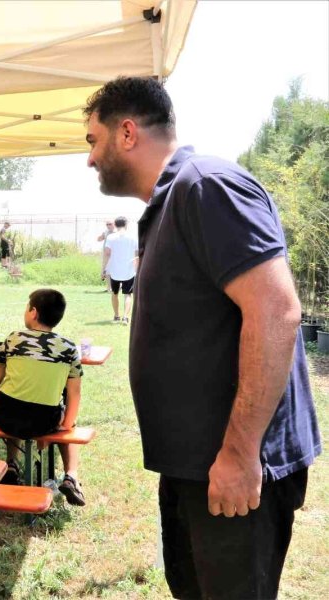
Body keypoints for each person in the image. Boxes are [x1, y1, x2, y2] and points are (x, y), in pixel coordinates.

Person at [84, 76, 321, 599]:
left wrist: (239, 455)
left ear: (126, 133)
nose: (89, 158)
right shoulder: (171, 200)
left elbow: (277, 311)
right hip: (197, 466)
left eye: (92, 140)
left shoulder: (205, 185)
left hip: (233, 467)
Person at [0, 289, 86, 505]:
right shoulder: (68, 348)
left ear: (33, 312)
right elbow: (74, 393)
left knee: (15, 398)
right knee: (71, 421)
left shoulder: (13, 339)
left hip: (6, 415)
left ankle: (12, 463)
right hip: (44, 421)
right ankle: (71, 476)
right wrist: (67, 424)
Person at [103, 216, 138, 323]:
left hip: (114, 271)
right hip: (129, 271)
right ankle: (125, 317)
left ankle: (116, 316)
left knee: (114, 293)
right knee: (128, 294)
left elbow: (107, 253)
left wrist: (104, 269)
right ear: (126, 224)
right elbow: (137, 255)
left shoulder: (111, 237)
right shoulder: (133, 237)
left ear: (116, 225)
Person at [96, 219, 116, 291]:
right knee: (106, 271)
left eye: (110, 224)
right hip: (106, 254)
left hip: (115, 254)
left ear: (114, 224)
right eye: (107, 224)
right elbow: (99, 239)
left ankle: (117, 286)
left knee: (115, 271)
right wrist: (100, 237)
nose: (108, 226)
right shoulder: (106, 232)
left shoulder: (117, 232)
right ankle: (109, 288)